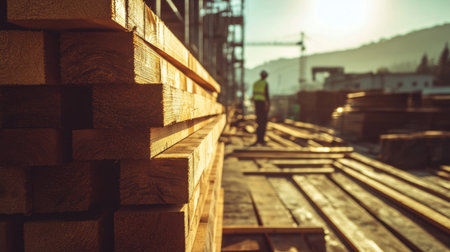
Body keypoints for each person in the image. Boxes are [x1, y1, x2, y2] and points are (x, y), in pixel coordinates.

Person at [251, 70, 270, 146]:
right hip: (262, 104)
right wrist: (267, 105)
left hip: (257, 104)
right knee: (263, 122)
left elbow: (253, 95)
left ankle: (258, 139)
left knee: (258, 121)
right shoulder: (265, 83)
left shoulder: (255, 83)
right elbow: (266, 95)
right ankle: (261, 140)